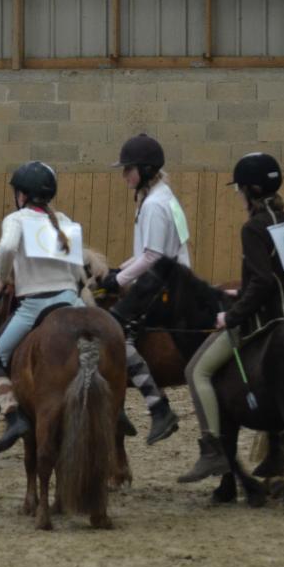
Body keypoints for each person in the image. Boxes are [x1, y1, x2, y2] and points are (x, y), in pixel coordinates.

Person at [180, 151, 284, 483]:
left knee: (197, 371)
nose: (238, 195)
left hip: (268, 319)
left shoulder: (253, 227)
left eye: (240, 189)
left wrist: (233, 315)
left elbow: (265, 283)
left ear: (251, 190)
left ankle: (212, 450)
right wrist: (241, 292)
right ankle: (278, 449)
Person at [0, 161, 88, 454]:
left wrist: (5, 278)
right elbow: (78, 269)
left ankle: (13, 417)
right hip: (71, 300)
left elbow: (5, 249)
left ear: (22, 195)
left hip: (34, 305)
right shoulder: (65, 220)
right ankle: (119, 410)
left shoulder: (16, 219)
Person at [94, 133, 186, 446]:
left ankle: (158, 406)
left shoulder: (155, 205)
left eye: (128, 169)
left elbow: (153, 256)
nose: (124, 176)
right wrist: (119, 268)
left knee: (116, 333)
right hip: (166, 274)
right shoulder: (161, 197)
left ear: (145, 170)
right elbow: (148, 251)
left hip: (163, 283)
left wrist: (117, 280)